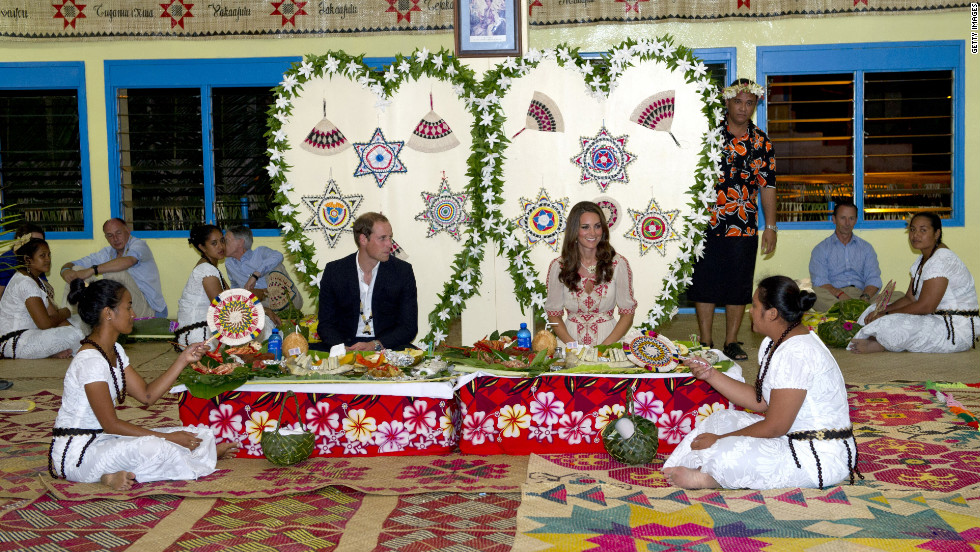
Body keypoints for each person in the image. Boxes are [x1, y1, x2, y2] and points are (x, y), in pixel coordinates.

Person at [663, 276, 860, 490]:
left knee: (727, 452)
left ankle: (706, 479)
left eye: (755, 306)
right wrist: (710, 374)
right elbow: (760, 402)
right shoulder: (774, 343)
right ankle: (697, 466)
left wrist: (719, 440)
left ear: (772, 313)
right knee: (721, 419)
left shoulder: (797, 352)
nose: (751, 311)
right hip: (789, 437)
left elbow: (775, 426)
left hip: (816, 454)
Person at [50, 279, 239, 490]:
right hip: (77, 454)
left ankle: (198, 455)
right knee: (155, 446)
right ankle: (107, 476)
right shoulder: (90, 361)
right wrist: (169, 438)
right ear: (108, 313)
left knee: (198, 434)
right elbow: (111, 424)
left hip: (103, 440)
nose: (133, 314)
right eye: (128, 307)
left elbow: (147, 396)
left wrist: (183, 359)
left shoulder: (115, 352)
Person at [687, 78, 777, 361]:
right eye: (738, 101)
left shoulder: (762, 142)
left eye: (749, 102)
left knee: (738, 284)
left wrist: (771, 226)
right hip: (706, 221)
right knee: (705, 282)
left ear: (756, 105)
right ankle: (704, 341)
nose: (743, 108)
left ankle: (731, 342)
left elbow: (768, 187)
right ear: (727, 102)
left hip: (744, 223)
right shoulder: (707, 136)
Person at [849, 212, 979, 353]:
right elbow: (909, 298)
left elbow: (926, 307)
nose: (915, 235)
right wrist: (882, 311)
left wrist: (886, 315)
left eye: (923, 230)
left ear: (937, 233)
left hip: (954, 329)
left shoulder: (942, 259)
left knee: (890, 322)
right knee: (872, 310)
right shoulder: (921, 260)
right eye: (912, 230)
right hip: (934, 319)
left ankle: (880, 344)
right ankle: (878, 338)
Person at [314, 212, 417, 352]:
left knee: (413, 357)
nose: (389, 244)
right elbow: (326, 324)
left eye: (390, 237)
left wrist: (375, 345)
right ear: (363, 239)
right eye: (382, 238)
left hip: (385, 345)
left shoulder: (402, 271)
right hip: (344, 344)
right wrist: (341, 348)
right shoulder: (335, 271)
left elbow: (409, 327)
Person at [545, 201, 637, 346]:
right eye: (585, 227)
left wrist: (604, 348)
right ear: (574, 230)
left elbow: (627, 314)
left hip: (609, 344)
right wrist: (574, 347)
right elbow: (553, 314)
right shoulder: (559, 266)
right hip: (570, 345)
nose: (593, 233)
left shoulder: (618, 264)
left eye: (597, 226)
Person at [173, 225, 280, 350]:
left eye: (222, 241)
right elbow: (226, 309)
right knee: (262, 324)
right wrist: (256, 300)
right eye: (214, 243)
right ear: (202, 247)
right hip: (198, 335)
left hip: (206, 328)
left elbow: (233, 300)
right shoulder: (206, 271)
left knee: (262, 321)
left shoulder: (212, 269)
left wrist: (263, 309)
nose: (221, 246)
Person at [60, 218, 167, 319]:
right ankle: (71, 319)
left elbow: (128, 261)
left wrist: (93, 270)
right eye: (110, 235)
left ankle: (108, 319)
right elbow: (73, 264)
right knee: (77, 270)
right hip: (121, 308)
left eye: (118, 233)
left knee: (115, 273)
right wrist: (65, 271)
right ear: (106, 238)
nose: (115, 239)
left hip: (150, 310)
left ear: (128, 231)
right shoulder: (107, 252)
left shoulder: (139, 245)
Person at [0, 239, 84, 360]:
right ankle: (85, 351)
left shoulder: (37, 281)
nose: (48, 259)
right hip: (14, 343)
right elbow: (45, 324)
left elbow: (54, 316)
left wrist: (71, 328)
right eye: (42, 255)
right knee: (74, 334)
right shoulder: (24, 282)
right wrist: (66, 312)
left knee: (78, 323)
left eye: (49, 255)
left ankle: (57, 351)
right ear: (27, 259)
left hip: (32, 335)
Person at [809, 200, 886, 312]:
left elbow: (874, 279)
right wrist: (840, 294)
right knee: (814, 295)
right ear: (834, 219)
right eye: (843, 218)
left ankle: (852, 311)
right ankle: (862, 313)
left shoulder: (866, 248)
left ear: (856, 220)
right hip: (834, 297)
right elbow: (819, 281)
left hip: (862, 295)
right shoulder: (821, 249)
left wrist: (865, 298)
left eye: (851, 218)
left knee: (898, 296)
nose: (847, 223)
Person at [223, 225, 302, 315]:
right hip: (259, 305)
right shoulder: (229, 263)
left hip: (284, 300)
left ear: (240, 242)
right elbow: (235, 285)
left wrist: (255, 275)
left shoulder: (260, 253)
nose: (223, 245)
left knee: (276, 265)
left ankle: (282, 309)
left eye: (226, 241)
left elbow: (278, 255)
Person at [0, 222, 46, 301]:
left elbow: (45, 290)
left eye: (41, 243)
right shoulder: (7, 261)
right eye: (34, 242)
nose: (38, 246)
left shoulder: (36, 261)